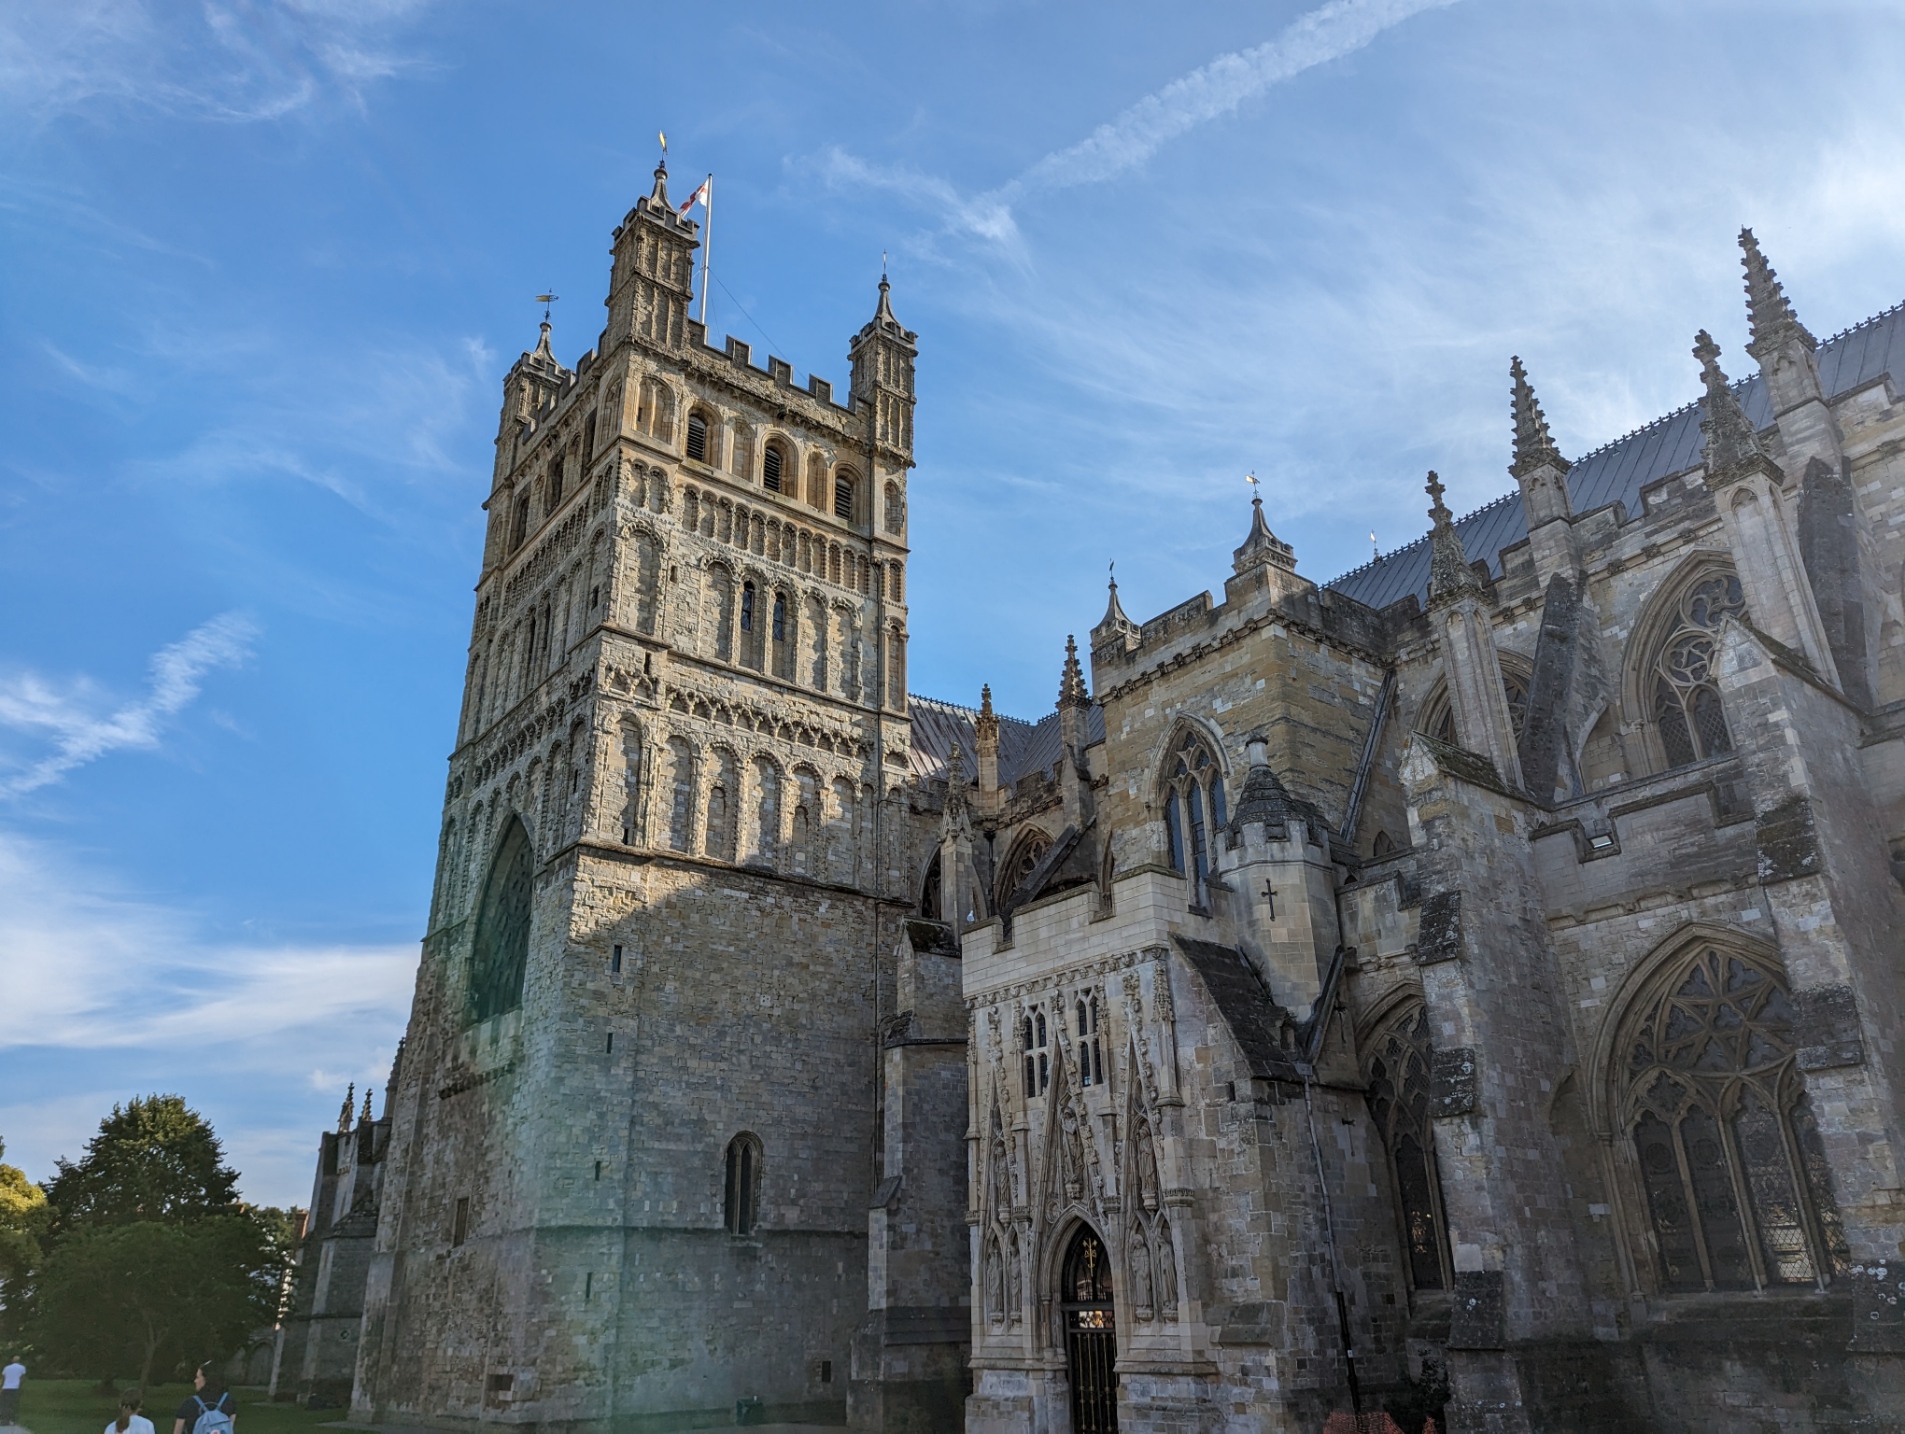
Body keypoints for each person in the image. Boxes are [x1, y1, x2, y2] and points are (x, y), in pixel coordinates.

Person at [172, 1367, 234, 1434]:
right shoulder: (228, 1401)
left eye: (197, 1377)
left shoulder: (190, 1403)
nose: (195, 1381)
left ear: (206, 1380)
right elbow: (230, 1427)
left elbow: (177, 1431)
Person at [0, 1354, 23, 1427]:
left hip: (6, 1387)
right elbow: (22, 1378)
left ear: (12, 1360)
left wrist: (1, 1387)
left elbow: (3, 1378)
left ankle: (4, 1419)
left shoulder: (7, 1368)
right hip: (15, 1388)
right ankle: (12, 1419)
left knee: (4, 1404)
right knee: (13, 1404)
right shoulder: (22, 1368)